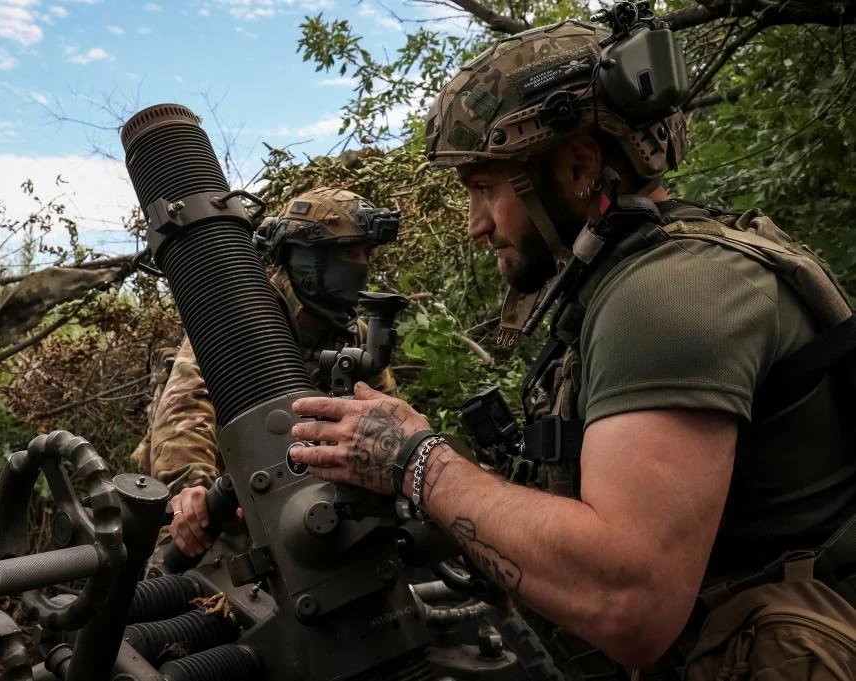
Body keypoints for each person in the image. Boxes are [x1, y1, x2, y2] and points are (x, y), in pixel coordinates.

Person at [287, 17, 856, 680]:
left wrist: (418, 463)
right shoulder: (644, 273)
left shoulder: (668, 293)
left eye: (484, 188)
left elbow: (629, 599)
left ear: (580, 166)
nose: (475, 227)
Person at [131, 186, 399, 559]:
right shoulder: (243, 314)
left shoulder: (355, 334)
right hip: (223, 502)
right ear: (304, 258)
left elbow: (386, 418)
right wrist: (191, 490)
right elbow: (186, 410)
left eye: (366, 253)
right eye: (348, 253)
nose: (361, 265)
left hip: (305, 503)